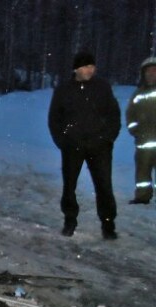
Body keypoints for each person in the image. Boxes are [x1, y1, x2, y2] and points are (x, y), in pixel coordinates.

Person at [48, 51, 121, 240]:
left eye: (92, 66)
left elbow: (114, 115)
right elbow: (54, 118)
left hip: (100, 146)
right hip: (73, 146)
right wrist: (62, 140)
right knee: (69, 186)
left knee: (104, 186)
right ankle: (70, 220)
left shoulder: (102, 87)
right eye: (86, 66)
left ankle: (108, 224)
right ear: (76, 69)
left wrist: (108, 138)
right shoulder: (64, 89)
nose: (91, 70)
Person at [126, 56, 156, 204]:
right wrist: (135, 130)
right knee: (142, 172)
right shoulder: (138, 94)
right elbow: (130, 115)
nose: (151, 74)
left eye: (154, 71)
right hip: (143, 142)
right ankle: (142, 196)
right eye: (148, 71)